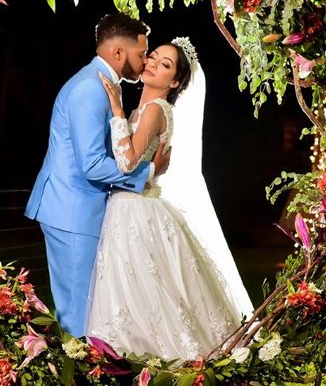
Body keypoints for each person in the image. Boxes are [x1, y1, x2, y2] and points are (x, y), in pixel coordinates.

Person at [85, 37, 254, 361]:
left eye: (165, 65)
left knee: (146, 292)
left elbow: (128, 161)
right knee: (139, 293)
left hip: (135, 210)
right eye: (154, 56)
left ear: (175, 81)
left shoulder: (154, 110)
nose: (152, 63)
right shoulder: (144, 109)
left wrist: (117, 110)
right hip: (129, 205)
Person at [25, 12, 172, 338]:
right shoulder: (91, 89)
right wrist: (147, 172)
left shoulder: (101, 85)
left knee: (88, 304)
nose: (145, 60)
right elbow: (92, 164)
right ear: (118, 52)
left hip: (78, 207)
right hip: (72, 209)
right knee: (78, 309)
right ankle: (78, 371)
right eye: (141, 53)